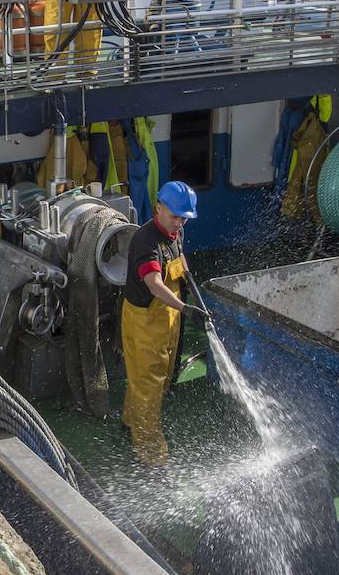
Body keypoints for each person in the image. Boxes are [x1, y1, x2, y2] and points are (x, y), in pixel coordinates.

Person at [120, 180, 208, 466]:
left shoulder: (175, 232)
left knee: (157, 378)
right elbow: (154, 283)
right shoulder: (146, 241)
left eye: (184, 218)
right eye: (174, 216)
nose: (179, 223)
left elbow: (179, 263)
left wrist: (192, 296)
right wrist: (185, 309)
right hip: (146, 321)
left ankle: (130, 425)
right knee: (149, 385)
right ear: (158, 207)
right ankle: (152, 458)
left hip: (167, 317)